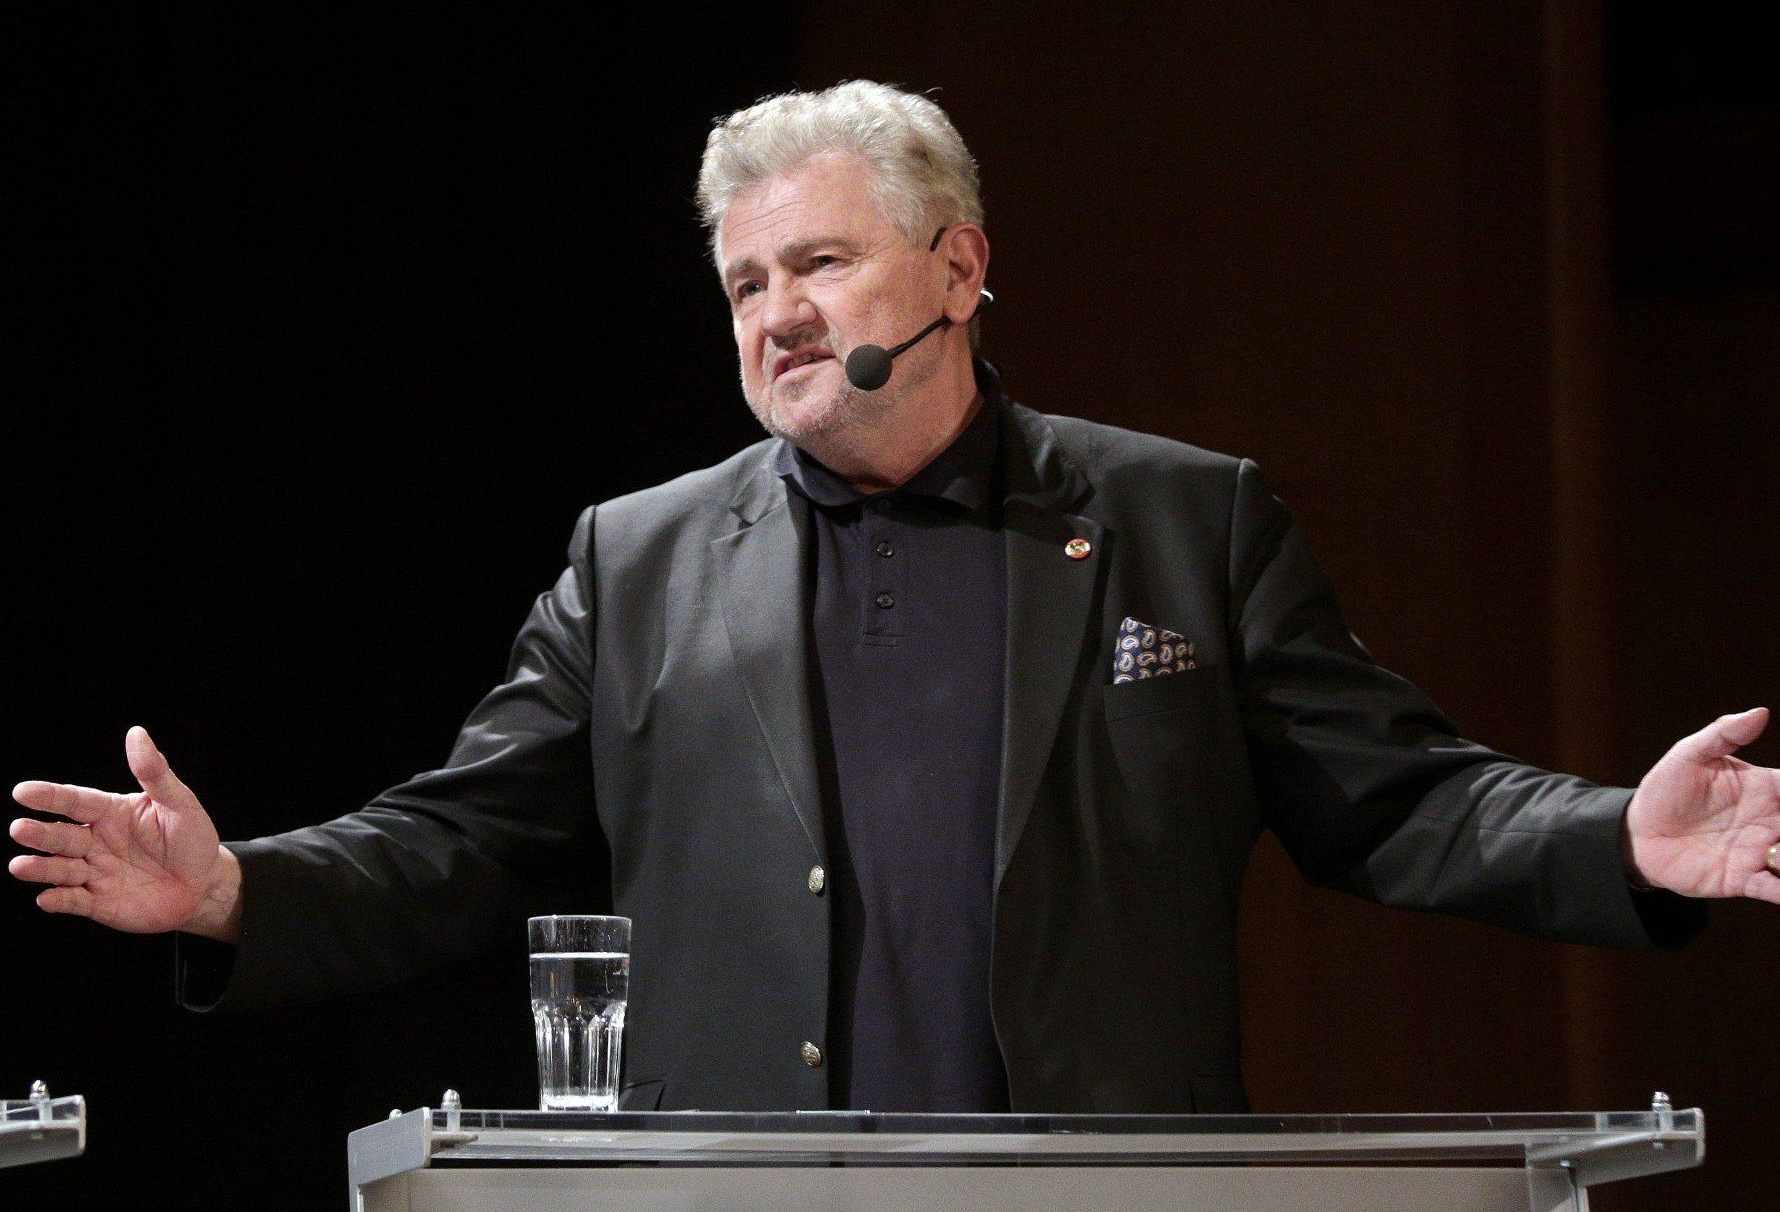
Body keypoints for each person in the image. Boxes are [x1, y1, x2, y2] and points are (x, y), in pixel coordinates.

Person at [10, 81, 1778, 1114]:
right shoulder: (638, 564)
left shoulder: (1179, 521)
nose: (775, 313)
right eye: (743, 281)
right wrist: (242, 892)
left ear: (961, 266)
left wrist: (1627, 838)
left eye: (819, 263)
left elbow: (1399, 798)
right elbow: (464, 843)